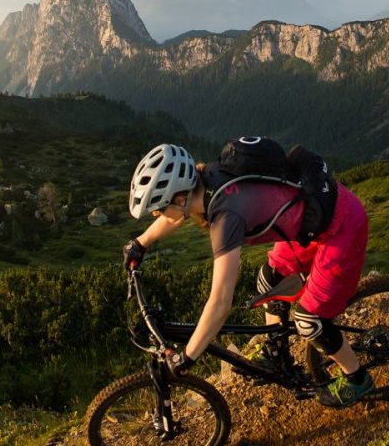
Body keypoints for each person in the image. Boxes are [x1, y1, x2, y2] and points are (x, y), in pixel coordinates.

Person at [122, 140, 374, 407]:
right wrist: (140, 243)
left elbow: (220, 302)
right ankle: (277, 355)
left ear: (181, 198)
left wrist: (188, 356)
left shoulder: (226, 217)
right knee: (268, 281)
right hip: (308, 224)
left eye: (160, 208)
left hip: (342, 227)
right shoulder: (207, 179)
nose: (158, 215)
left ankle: (357, 379)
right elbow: (176, 215)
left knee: (309, 321)